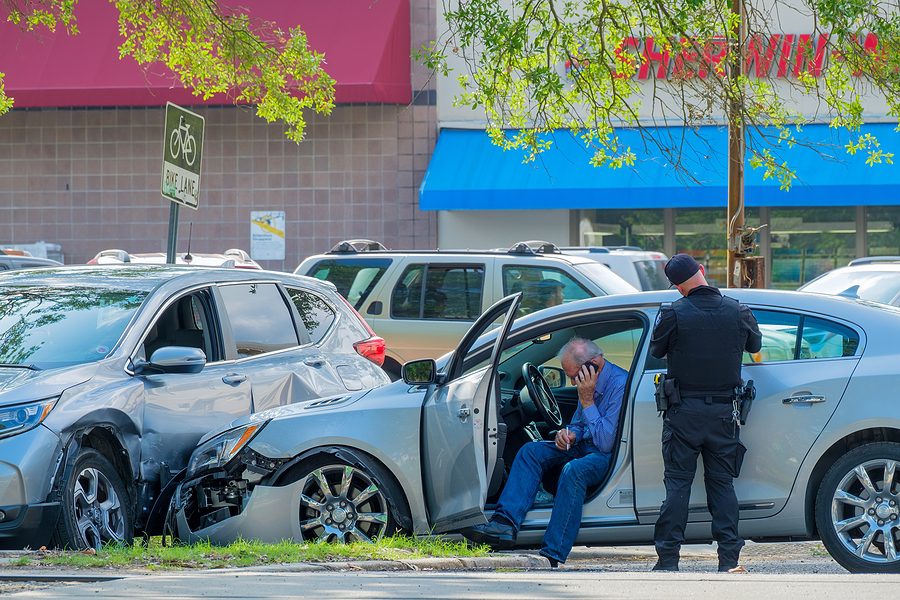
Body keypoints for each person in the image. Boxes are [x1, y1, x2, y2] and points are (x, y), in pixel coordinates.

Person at [463, 338, 627, 567]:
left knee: (574, 471)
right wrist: (568, 434)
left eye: (573, 375)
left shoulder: (619, 384)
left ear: (593, 364)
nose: (572, 381)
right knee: (531, 451)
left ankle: (553, 553)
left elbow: (605, 442)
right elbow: (580, 425)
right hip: (583, 445)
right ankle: (504, 524)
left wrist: (587, 400)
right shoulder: (587, 381)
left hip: (605, 456)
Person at [649, 254, 762, 573]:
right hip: (724, 414)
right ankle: (729, 559)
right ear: (700, 272)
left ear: (677, 286)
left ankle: (668, 560)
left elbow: (657, 351)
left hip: (682, 413)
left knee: (677, 486)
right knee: (722, 486)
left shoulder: (673, 313)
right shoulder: (739, 310)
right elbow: (755, 345)